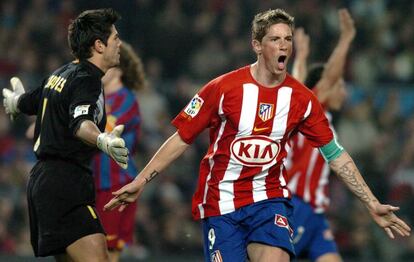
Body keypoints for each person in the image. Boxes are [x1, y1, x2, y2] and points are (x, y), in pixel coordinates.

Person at [104, 8, 411, 262]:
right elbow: (181, 139)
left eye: (287, 39)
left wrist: (371, 202)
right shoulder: (222, 88)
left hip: (269, 200)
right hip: (221, 203)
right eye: (275, 39)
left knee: (276, 257)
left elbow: (335, 154)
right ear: (257, 45)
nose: (284, 46)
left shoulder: (301, 99)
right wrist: (141, 181)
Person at [2, 8, 128, 262]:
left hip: (42, 182)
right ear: (99, 45)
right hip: (66, 183)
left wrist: (15, 101)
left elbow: (30, 102)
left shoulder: (61, 73)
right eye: (115, 38)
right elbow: (80, 124)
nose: (120, 43)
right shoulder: (88, 79)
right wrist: (103, 139)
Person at [286, 9, 355, 262]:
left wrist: (302, 57)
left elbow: (297, 85)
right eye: (340, 86)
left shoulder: (318, 118)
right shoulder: (314, 112)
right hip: (297, 205)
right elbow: (324, 80)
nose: (343, 92)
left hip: (315, 213)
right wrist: (346, 38)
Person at [93, 42, 145, 262]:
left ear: (119, 70)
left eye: (106, 66)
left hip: (115, 184)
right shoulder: (98, 97)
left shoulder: (126, 99)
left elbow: (106, 128)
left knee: (108, 250)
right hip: (95, 182)